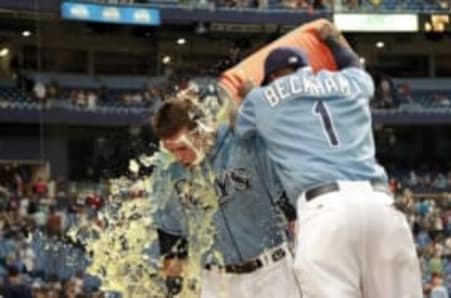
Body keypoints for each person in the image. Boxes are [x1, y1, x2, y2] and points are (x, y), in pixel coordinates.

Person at [234, 21, 422, 298]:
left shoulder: (261, 98)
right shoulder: (352, 81)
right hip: (381, 205)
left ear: (273, 76)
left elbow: (239, 128)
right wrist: (333, 40)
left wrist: (249, 94)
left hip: (324, 210)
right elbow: (353, 64)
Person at [150, 82, 300, 298]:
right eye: (171, 150)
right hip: (216, 282)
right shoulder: (167, 173)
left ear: (200, 129)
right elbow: (172, 241)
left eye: (182, 147)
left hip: (271, 272)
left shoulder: (244, 143)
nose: (178, 157)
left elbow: (290, 207)